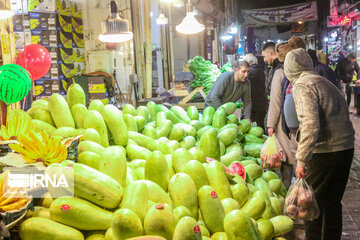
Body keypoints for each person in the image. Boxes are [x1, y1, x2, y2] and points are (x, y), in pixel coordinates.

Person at [284, 48, 355, 240]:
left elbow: (309, 123)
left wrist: (301, 159)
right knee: (332, 202)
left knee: (308, 203)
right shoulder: (322, 81)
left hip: (326, 151)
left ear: (289, 67)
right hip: (345, 147)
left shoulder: (302, 84)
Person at [266, 37, 305, 189]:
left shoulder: (280, 73)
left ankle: (290, 195)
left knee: (289, 162)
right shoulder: (306, 71)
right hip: (301, 123)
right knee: (300, 161)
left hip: (285, 124)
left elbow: (275, 101)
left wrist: (270, 124)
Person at [244, 54, 267, 129]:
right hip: (261, 103)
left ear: (250, 62)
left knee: (258, 126)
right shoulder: (260, 70)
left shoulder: (253, 71)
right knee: (260, 124)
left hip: (256, 105)